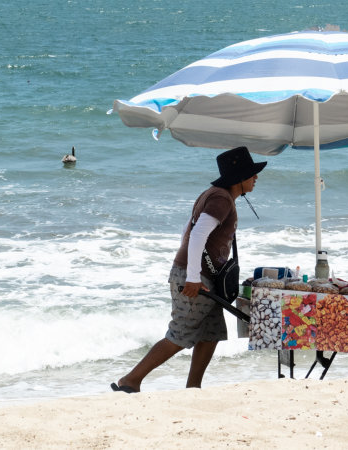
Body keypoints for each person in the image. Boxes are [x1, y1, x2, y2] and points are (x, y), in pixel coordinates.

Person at [111, 146, 266, 393]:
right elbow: (196, 235)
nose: (256, 177)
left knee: (211, 333)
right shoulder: (220, 199)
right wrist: (193, 276)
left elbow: (187, 230)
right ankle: (131, 379)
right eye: (252, 173)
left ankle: (193, 387)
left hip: (199, 274)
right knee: (180, 333)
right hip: (196, 278)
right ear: (239, 178)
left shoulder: (214, 195)